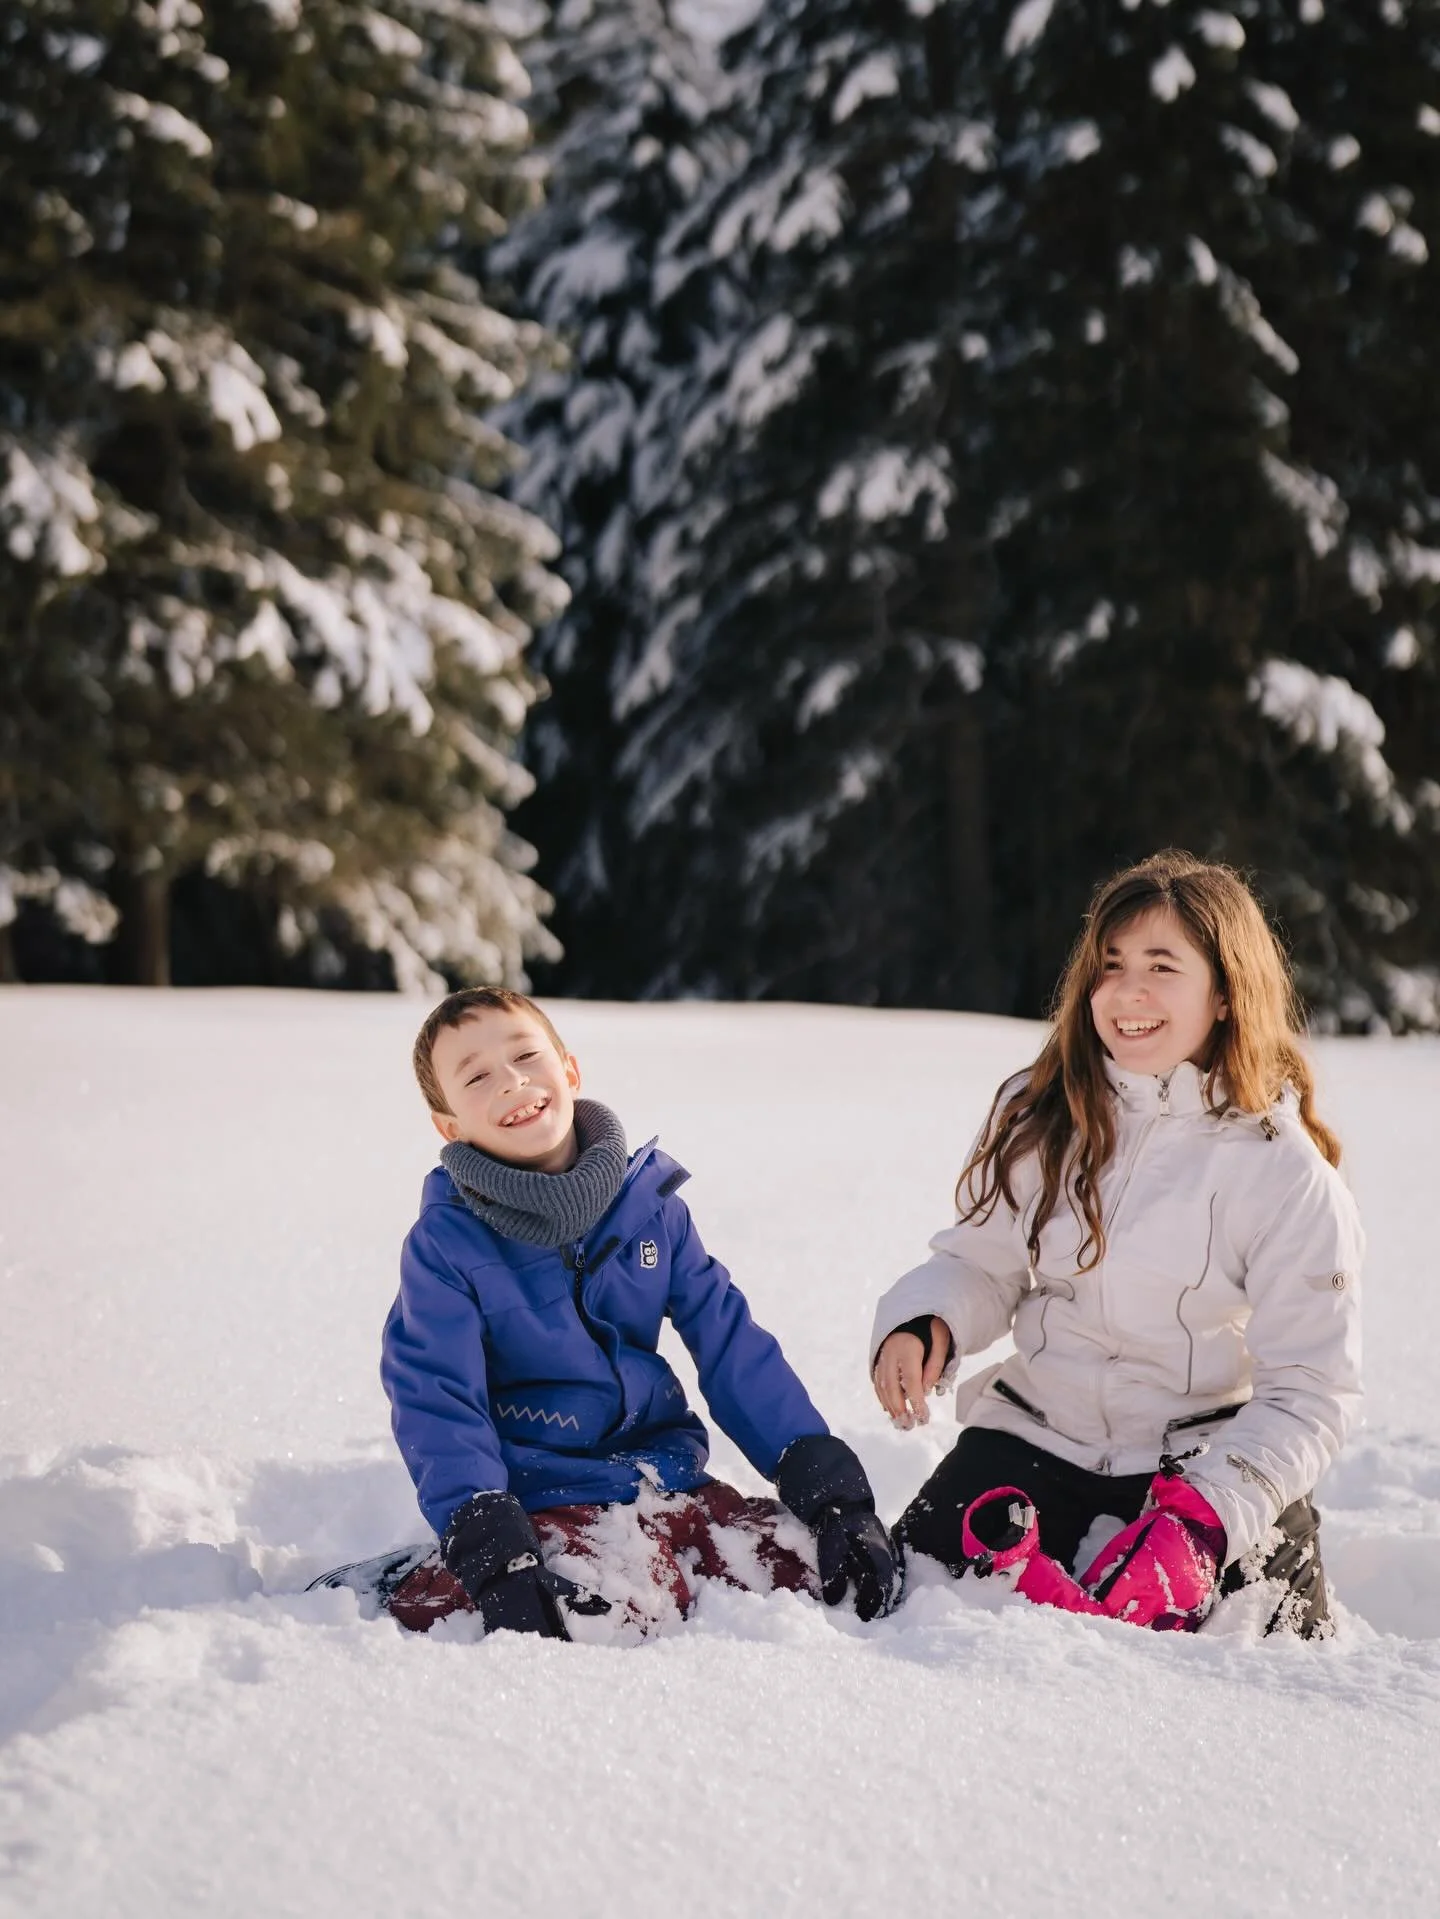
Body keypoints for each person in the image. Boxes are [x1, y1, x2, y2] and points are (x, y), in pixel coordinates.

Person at [871, 851, 1363, 1638]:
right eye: (1110, 963)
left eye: (1161, 965)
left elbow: (1309, 1390)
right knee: (908, 1600)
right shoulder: (1039, 1111)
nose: (1127, 991)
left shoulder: (1281, 1168)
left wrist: (1206, 1517)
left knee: (1262, 1639)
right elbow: (982, 1262)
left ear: (1227, 991)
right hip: (1038, 1429)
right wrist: (928, 1321)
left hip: (1197, 1461)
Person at [317, 987, 900, 1640]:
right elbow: (436, 1393)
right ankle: (422, 1580)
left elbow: (729, 1342)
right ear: (449, 1125)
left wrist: (826, 1485)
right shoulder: (447, 1245)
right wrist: (487, 1534)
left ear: (569, 1070)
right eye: (476, 1076)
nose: (511, 1081)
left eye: (525, 1056)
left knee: (809, 1569)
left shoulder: (651, 1208)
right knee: (617, 1609)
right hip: (546, 1494)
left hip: (667, 1475)